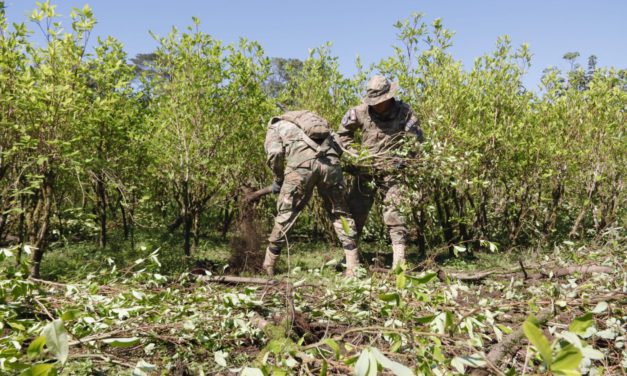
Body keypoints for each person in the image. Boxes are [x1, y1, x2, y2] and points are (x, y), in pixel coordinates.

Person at [336, 75, 423, 268]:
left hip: (394, 173)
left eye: (380, 101)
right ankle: (350, 260)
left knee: (395, 213)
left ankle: (399, 261)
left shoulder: (405, 113)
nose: (377, 105)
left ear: (389, 97)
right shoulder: (359, 112)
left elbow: (416, 142)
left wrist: (405, 159)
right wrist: (356, 154)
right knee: (354, 213)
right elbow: (342, 136)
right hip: (366, 172)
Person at [262, 110, 360, 276]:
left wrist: (278, 179)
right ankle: (353, 265)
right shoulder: (320, 124)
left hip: (301, 168)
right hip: (331, 164)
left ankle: (268, 265)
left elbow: (275, 153)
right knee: (341, 214)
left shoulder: (277, 125)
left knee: (287, 213)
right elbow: (340, 145)